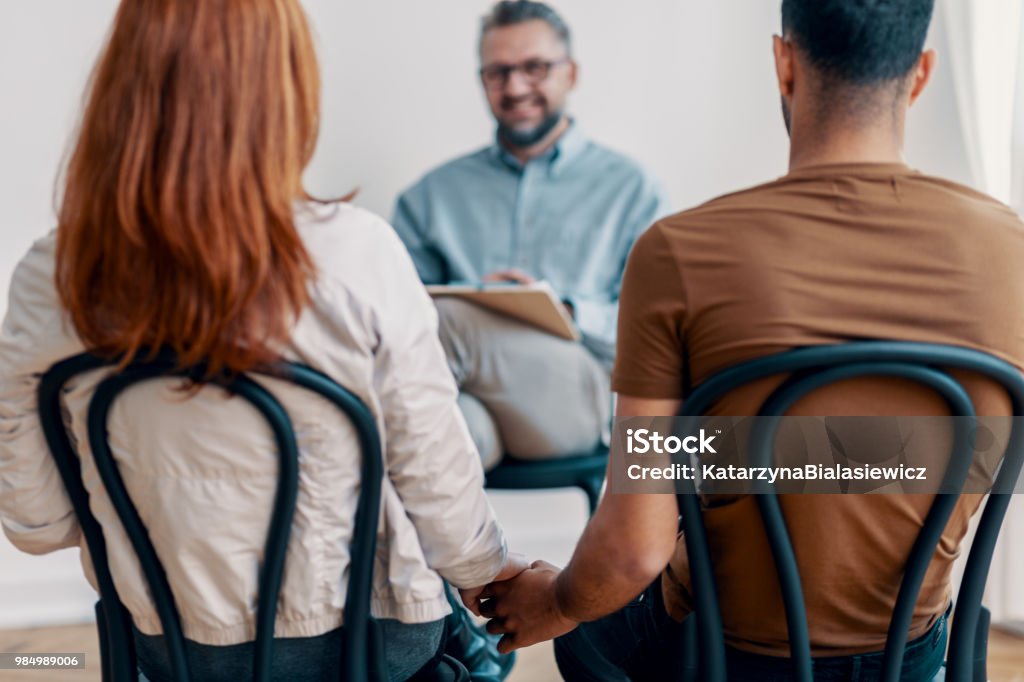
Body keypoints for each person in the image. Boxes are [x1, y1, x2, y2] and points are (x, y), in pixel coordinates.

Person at [475, 0, 1024, 680]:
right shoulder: (1012, 251)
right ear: (921, 74)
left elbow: (631, 553)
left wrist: (555, 602)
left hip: (724, 655)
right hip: (910, 654)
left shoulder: (679, 252)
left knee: (585, 639)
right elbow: (986, 457)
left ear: (783, 64)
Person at [0, 1, 526, 680]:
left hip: (170, 646)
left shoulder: (49, 276)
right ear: (287, 90)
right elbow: (446, 513)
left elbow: (35, 523)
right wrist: (499, 572)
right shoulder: (357, 255)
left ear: (121, 89)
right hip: (361, 646)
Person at [392, 0, 670, 470]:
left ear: (572, 73)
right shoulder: (430, 195)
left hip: (578, 397)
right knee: (453, 431)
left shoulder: (631, 188)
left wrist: (564, 310)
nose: (515, 87)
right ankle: (475, 547)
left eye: (534, 68)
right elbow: (395, 315)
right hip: (469, 399)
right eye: (498, 73)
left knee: (448, 320)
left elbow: (658, 329)